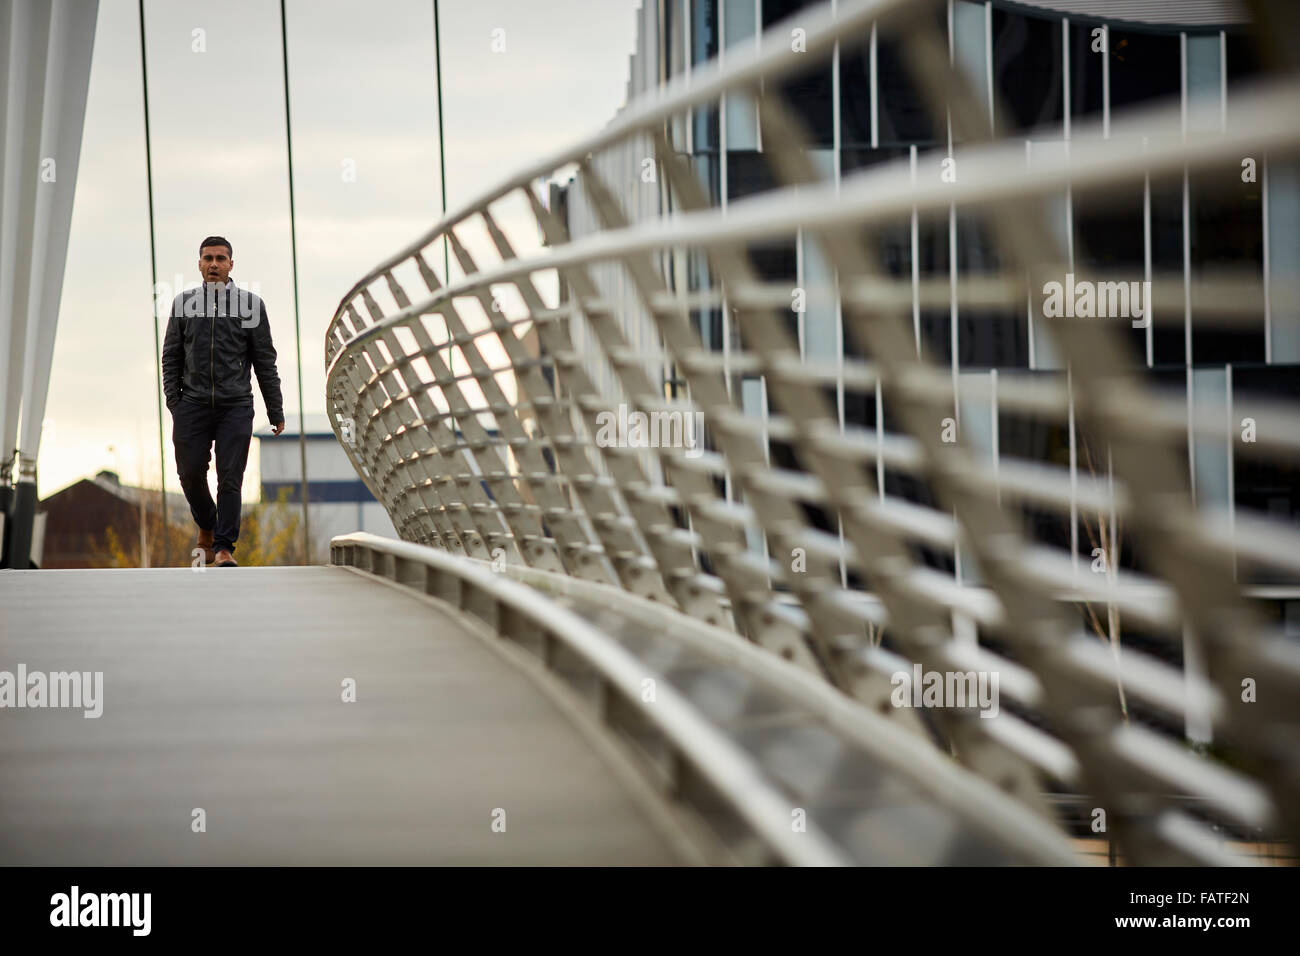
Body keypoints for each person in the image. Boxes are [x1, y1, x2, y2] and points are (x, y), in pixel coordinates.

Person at [161, 236, 285, 567]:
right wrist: (176, 403)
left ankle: (224, 548)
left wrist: (275, 409)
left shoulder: (251, 305)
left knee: (230, 477)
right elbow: (171, 357)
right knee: (189, 474)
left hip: (236, 406)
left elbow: (264, 361)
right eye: (207, 258)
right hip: (193, 405)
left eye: (220, 258)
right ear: (199, 264)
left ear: (231, 264)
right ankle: (206, 524)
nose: (214, 264)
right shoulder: (183, 304)